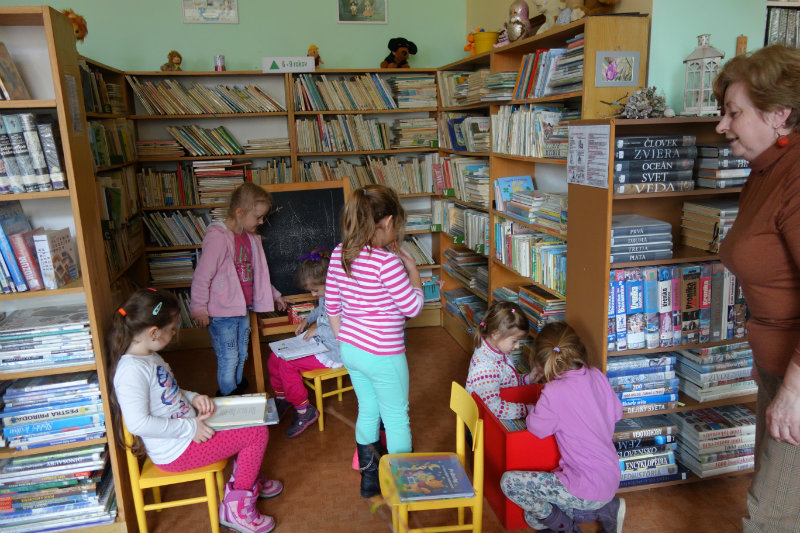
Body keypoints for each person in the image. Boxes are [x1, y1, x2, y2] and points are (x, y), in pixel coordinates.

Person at [714, 44, 800, 533]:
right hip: (779, 366)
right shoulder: (765, 170)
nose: (722, 125)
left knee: (771, 515)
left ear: (779, 114)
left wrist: (795, 387)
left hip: (797, 376)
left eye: (734, 113)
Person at [110, 289, 281, 533]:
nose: (174, 333)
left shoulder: (148, 356)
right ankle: (236, 509)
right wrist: (190, 427)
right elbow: (138, 423)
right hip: (177, 451)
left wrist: (194, 398)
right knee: (256, 433)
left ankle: (248, 476)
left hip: (188, 430)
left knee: (249, 413)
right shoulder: (131, 371)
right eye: (172, 329)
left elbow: (169, 391)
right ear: (153, 332)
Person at [325, 184, 424, 498]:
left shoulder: (340, 253)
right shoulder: (388, 263)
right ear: (388, 222)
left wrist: (345, 341)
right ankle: (401, 486)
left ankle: (370, 482)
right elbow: (412, 307)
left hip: (352, 350)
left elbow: (332, 306)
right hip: (384, 354)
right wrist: (414, 271)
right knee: (396, 418)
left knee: (368, 409)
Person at [500, 322, 624, 533]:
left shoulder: (553, 392)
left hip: (584, 486)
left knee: (509, 483)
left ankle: (568, 528)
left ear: (541, 362)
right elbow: (616, 413)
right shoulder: (596, 374)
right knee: (532, 518)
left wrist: (533, 409)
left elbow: (536, 428)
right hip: (611, 477)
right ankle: (605, 508)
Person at [191, 183, 286, 397]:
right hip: (221, 313)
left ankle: (236, 387)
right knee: (229, 356)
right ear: (240, 212)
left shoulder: (250, 238)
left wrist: (275, 295)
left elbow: (258, 275)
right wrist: (198, 309)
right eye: (258, 217)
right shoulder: (218, 237)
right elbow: (202, 276)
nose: (261, 222)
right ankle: (228, 397)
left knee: (242, 353)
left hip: (242, 309)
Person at [267, 248, 341, 438]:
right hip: (319, 342)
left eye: (315, 290)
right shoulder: (326, 293)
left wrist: (318, 330)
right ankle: (283, 398)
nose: (314, 295)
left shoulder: (342, 296)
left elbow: (344, 330)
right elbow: (320, 310)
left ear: (329, 280)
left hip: (333, 350)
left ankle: (304, 410)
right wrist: (308, 320)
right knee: (275, 357)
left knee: (287, 364)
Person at [465, 301, 532, 419]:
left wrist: (529, 379)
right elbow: (493, 408)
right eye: (514, 341)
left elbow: (507, 380)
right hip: (482, 420)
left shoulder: (498, 350)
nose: (518, 346)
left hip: (492, 411)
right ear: (496, 334)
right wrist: (525, 410)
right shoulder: (485, 368)